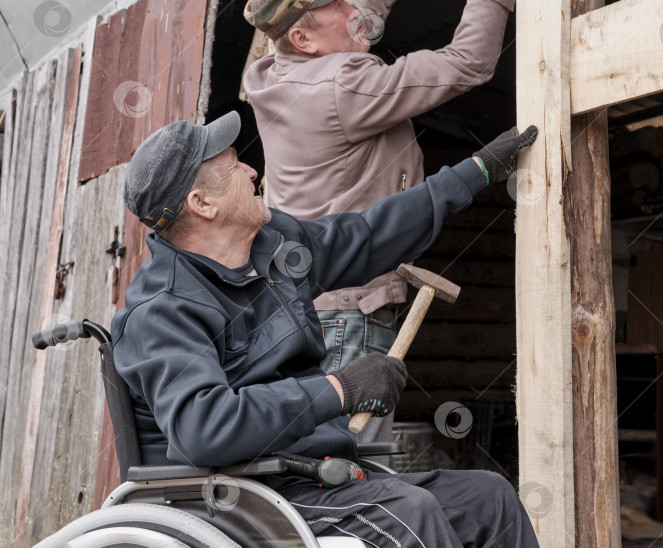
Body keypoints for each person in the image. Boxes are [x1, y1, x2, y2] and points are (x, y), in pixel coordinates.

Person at [112, 110, 539, 546]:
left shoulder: (272, 245)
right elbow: (205, 427)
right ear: (202, 204)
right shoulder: (161, 312)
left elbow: (369, 236)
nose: (251, 169)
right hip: (238, 497)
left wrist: (476, 171)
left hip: (311, 476)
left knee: (490, 499)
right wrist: (340, 390)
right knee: (412, 515)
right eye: (234, 165)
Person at [242, 0, 515, 446]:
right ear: (304, 37)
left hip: (313, 303)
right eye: (334, 5)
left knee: (326, 467)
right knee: (352, 474)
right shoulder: (343, 85)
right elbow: (468, 63)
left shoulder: (273, 72)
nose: (352, 5)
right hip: (349, 316)